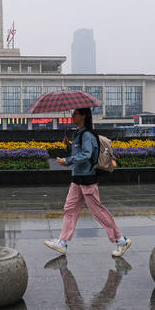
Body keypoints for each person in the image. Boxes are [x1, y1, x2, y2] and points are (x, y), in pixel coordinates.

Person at [44, 107, 131, 257]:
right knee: (70, 209)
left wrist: (68, 160)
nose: (72, 116)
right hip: (77, 179)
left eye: (75, 114)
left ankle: (121, 240)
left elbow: (87, 154)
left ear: (83, 116)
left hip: (87, 179)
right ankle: (63, 242)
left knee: (97, 211)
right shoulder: (79, 134)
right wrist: (69, 145)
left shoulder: (87, 135)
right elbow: (80, 152)